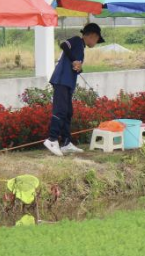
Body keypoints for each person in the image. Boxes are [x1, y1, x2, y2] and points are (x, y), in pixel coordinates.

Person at [43, 23, 105, 157]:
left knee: (68, 112)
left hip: (68, 82)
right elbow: (64, 44)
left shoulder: (81, 48)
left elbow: (75, 64)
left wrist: (78, 67)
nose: (95, 43)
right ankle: (52, 139)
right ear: (92, 36)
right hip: (61, 81)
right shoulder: (77, 40)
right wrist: (73, 61)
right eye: (96, 40)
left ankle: (66, 143)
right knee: (60, 110)